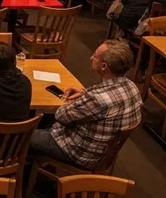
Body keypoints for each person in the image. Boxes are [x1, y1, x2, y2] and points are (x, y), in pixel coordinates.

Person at [28, 40, 143, 169]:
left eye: (95, 56)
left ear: (104, 66)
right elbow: (107, 98)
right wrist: (84, 93)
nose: (91, 57)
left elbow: (61, 116)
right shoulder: (132, 87)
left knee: (20, 136)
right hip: (102, 149)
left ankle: (22, 173)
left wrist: (73, 103)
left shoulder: (97, 100)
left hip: (79, 152)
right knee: (44, 121)